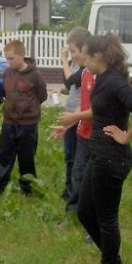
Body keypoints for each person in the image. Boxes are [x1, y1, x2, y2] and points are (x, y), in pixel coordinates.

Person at [76, 34, 132, 264]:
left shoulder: (116, 82)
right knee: (85, 211)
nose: (83, 61)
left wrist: (126, 136)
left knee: (106, 217)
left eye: (86, 57)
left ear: (98, 57)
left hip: (112, 158)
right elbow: (104, 108)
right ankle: (116, 263)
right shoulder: (103, 78)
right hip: (99, 155)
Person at [0, 39, 48, 196]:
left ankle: (28, 189)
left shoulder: (35, 75)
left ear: (22, 55)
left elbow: (42, 95)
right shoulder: (7, 73)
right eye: (6, 58)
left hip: (28, 124)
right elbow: (6, 94)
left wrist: (28, 108)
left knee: (26, 158)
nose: (8, 61)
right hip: (9, 122)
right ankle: (0, 187)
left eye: (11, 58)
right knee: (4, 155)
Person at [56, 28, 89, 201]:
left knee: (78, 158)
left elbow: (71, 80)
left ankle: (76, 193)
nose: (72, 54)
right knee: (69, 156)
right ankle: (69, 189)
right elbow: (70, 85)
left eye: (74, 51)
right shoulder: (75, 64)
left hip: (80, 117)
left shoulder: (86, 67)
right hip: (71, 114)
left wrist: (63, 59)